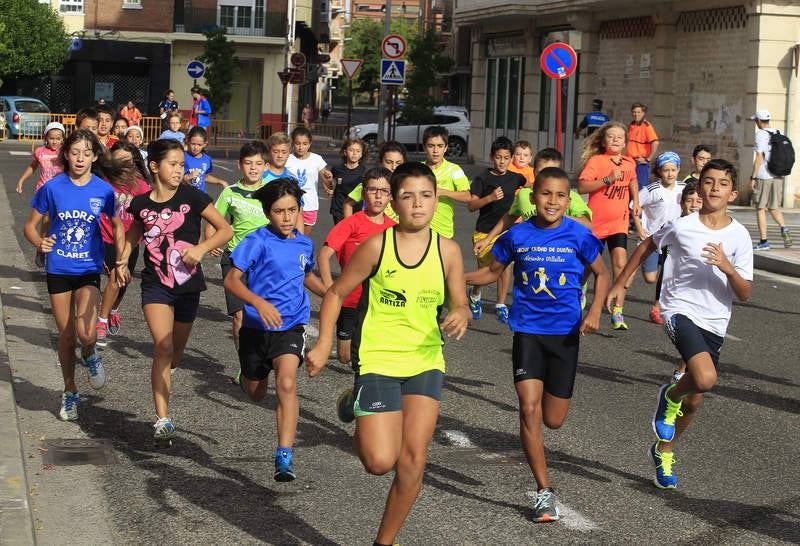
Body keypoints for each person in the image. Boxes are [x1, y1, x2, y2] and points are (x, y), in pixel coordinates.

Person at [305, 162, 470, 546]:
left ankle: (384, 542)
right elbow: (336, 293)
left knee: (413, 458)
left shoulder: (448, 250)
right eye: (408, 196)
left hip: (426, 360)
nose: (418, 204)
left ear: (436, 200)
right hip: (378, 358)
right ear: (394, 203)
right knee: (379, 462)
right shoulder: (378, 245)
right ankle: (356, 400)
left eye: (426, 195)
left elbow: (459, 300)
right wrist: (324, 342)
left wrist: (460, 311)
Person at [465, 167, 610, 522]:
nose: (553, 201)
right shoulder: (518, 234)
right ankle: (544, 492)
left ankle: (544, 468)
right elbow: (491, 273)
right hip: (527, 331)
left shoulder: (579, 234)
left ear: (569, 199)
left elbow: (603, 273)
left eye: (561, 195)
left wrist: (593, 311)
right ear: (533, 197)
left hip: (565, 335)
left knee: (554, 420)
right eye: (546, 194)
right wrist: (453, 275)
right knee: (528, 409)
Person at [606, 158, 753, 490]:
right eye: (709, 182)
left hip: (715, 320)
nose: (715, 188)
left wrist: (728, 268)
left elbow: (744, 292)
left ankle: (664, 449)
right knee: (705, 377)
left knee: (697, 396)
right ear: (699, 187)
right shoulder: (683, 225)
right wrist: (620, 284)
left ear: (733, 193)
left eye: (723, 184)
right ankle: (669, 396)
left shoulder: (740, 237)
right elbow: (646, 245)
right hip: (678, 310)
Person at [118, 138, 233, 447]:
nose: (179, 169)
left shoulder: (194, 197)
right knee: (163, 346)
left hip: (187, 286)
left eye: (182, 164)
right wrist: (122, 261)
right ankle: (163, 418)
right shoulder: (141, 203)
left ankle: (164, 378)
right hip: (155, 284)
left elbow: (225, 229)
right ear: (155, 167)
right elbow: (133, 234)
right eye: (173, 164)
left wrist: (202, 248)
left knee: (175, 355)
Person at [223, 178, 326, 481]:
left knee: (286, 383)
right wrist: (258, 303)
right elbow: (231, 280)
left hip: (290, 324)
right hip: (256, 326)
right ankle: (250, 373)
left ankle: (284, 454)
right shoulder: (256, 241)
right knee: (255, 392)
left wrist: (332, 294)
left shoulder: (304, 243)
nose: (287, 217)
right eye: (279, 211)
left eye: (292, 210)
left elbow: (304, 275)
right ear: (268, 212)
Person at [23, 129, 123, 421]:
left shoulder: (103, 191)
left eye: (86, 153)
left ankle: (90, 353)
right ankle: (69, 392)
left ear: (94, 157)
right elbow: (30, 225)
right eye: (75, 152)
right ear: (65, 154)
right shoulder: (52, 188)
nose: (80, 158)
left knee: (86, 333)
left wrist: (121, 258)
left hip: (88, 268)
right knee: (66, 337)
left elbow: (117, 224)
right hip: (58, 269)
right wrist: (38, 242)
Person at [317, 167, 395, 389]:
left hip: (379, 306)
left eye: (383, 191)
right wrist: (330, 289)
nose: (378, 196)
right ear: (363, 193)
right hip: (349, 302)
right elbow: (324, 256)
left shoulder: (394, 229)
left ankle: (365, 391)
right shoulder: (351, 223)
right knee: (345, 356)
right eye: (372, 190)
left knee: (366, 359)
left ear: (390, 196)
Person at [205, 141, 270, 364]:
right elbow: (213, 219)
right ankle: (246, 364)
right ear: (239, 165)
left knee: (263, 313)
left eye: (258, 164)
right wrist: (211, 239)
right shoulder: (230, 193)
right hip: (234, 260)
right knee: (239, 316)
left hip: (265, 263)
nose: (253, 168)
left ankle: (262, 356)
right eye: (248, 163)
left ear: (265, 166)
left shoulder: (272, 192)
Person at [578, 121, 640, 330]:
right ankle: (581, 288)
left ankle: (618, 311)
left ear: (625, 143)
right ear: (604, 141)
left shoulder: (628, 163)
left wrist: (636, 203)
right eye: (611, 136)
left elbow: (632, 180)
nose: (615, 140)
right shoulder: (597, 161)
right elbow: (583, 186)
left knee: (620, 264)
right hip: (596, 223)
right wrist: (606, 179)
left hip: (619, 223)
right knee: (589, 264)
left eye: (619, 137)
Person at [95, 141, 151, 347]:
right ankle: (101, 322)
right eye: (118, 160)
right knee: (114, 277)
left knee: (123, 282)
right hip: (104, 238)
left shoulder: (142, 186)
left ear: (135, 161)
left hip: (130, 242)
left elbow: (146, 215)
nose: (123, 165)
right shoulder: (102, 181)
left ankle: (114, 308)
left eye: (127, 161)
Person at [467, 136, 526, 324]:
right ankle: (475, 293)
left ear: (511, 159)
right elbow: (471, 205)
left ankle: (501, 304)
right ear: (492, 157)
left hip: (507, 230)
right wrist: (490, 197)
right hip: (484, 231)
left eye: (506, 158)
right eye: (499, 157)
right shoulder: (483, 178)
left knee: (504, 266)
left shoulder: (517, 178)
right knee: (485, 271)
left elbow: (529, 188)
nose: (502, 161)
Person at [632, 151, 685, 324]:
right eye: (666, 170)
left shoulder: (683, 189)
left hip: (672, 239)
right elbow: (634, 207)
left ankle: (657, 307)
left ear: (678, 170)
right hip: (652, 238)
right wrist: (639, 228)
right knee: (650, 278)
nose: (670, 174)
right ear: (659, 171)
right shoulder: (651, 190)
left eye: (673, 170)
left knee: (668, 272)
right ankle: (646, 266)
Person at [663, 182, 703, 384]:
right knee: (690, 332)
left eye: (698, 201)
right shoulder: (675, 227)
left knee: (697, 334)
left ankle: (683, 369)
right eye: (690, 200)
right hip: (678, 292)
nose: (694, 205)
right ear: (682, 202)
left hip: (701, 291)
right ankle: (682, 370)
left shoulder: (710, 229)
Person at [749, 109, 793, 250]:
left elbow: (759, 158)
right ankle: (784, 228)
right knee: (773, 206)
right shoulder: (779, 133)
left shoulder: (760, 135)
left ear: (759, 121)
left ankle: (764, 242)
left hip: (764, 175)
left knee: (760, 208)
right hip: (778, 175)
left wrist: (753, 177)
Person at [423, 125, 471, 239]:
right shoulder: (418, 169)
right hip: (419, 231)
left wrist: (442, 192)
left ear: (445, 148)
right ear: (424, 147)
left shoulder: (454, 169)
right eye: (431, 146)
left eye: (440, 146)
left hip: (443, 232)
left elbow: (468, 196)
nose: (435, 151)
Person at [343, 140, 406, 220]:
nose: (393, 167)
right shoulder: (370, 183)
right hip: (371, 231)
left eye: (398, 163)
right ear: (380, 162)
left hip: (396, 231)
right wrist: (349, 227)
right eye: (389, 162)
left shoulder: (407, 185)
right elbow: (348, 204)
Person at [286, 127, 332, 235]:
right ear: (293, 143)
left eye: (304, 143)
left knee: (304, 239)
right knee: (289, 236)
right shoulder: (287, 159)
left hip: (310, 204)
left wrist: (329, 180)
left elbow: (327, 181)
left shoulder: (316, 159)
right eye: (297, 143)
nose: (301, 147)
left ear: (310, 144)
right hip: (291, 204)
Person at [327, 138, 366, 224]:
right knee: (341, 234)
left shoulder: (364, 171)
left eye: (358, 151)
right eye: (351, 150)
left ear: (361, 154)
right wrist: (330, 187)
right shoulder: (337, 169)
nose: (354, 153)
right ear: (345, 152)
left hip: (356, 208)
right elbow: (329, 181)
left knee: (354, 235)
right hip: (339, 207)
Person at [184, 126, 228, 193]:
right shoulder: (182, 156)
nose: (196, 147)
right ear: (188, 141)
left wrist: (221, 181)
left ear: (205, 144)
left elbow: (205, 177)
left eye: (199, 145)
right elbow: (174, 178)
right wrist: (187, 177)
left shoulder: (207, 159)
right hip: (185, 195)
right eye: (193, 144)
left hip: (201, 196)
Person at [627, 103, 660, 189]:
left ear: (643, 113)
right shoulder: (631, 125)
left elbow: (655, 142)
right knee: (629, 187)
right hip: (630, 161)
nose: (636, 114)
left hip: (640, 163)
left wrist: (648, 159)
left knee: (641, 188)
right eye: (634, 112)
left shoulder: (646, 126)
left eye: (638, 112)